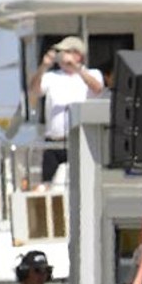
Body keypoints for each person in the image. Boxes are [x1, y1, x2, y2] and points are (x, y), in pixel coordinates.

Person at [27, 35, 104, 182]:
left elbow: (97, 88)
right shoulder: (51, 77)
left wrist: (76, 68)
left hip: (80, 142)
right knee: (49, 184)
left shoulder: (92, 74)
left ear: (77, 54)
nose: (61, 56)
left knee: (82, 183)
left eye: (65, 52)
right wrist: (43, 66)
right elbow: (34, 90)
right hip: (54, 142)